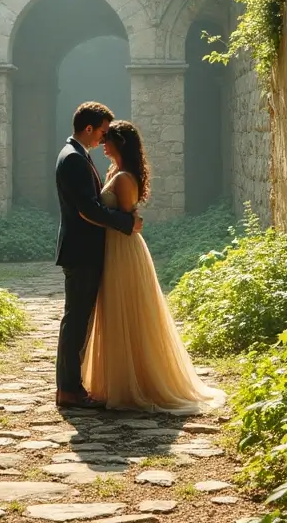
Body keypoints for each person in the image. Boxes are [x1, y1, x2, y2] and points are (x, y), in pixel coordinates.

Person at [81, 119, 225, 413]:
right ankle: (116, 379)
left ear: (120, 143)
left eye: (108, 139)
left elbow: (126, 219)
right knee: (116, 311)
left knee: (126, 311)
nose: (103, 142)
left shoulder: (123, 178)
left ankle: (134, 383)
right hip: (116, 247)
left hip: (122, 248)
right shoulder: (116, 172)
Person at [54, 102, 143, 409]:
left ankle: (72, 387)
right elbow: (87, 209)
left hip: (86, 249)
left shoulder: (79, 156)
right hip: (81, 251)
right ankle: (68, 389)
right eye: (103, 131)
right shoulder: (74, 159)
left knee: (80, 319)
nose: (104, 139)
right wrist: (127, 222)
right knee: (76, 320)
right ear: (88, 128)